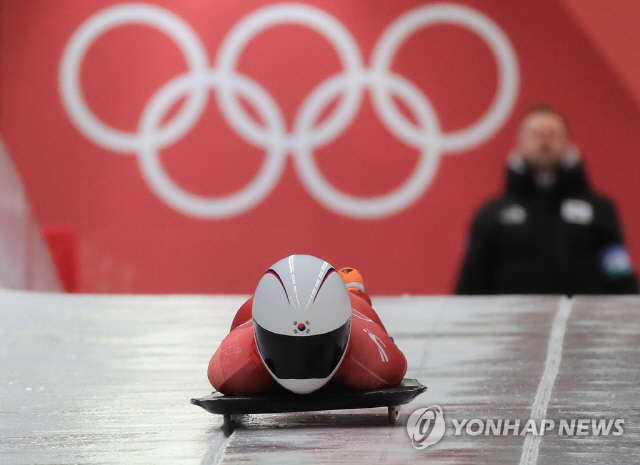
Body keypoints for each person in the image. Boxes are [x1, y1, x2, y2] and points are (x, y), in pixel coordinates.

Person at [456, 104, 637, 295]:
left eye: (552, 133)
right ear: (520, 141)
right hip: (511, 322)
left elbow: (619, 273)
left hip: (581, 321)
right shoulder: (491, 214)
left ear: (567, 140)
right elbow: (472, 280)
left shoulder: (599, 209)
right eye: (536, 134)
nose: (544, 142)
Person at [208, 254, 407, 395]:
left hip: (353, 329)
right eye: (285, 347)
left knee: (359, 305)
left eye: (318, 348)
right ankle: (351, 289)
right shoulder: (236, 365)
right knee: (246, 313)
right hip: (257, 321)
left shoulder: (375, 361)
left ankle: (353, 292)